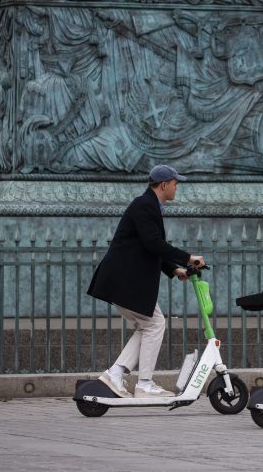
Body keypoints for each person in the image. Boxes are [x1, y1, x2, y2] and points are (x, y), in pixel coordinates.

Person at [86, 165, 205, 398]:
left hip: (124, 281)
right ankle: (144, 383)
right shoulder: (144, 205)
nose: (176, 187)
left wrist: (175, 270)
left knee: (148, 326)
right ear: (164, 185)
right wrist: (188, 257)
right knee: (155, 324)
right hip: (125, 280)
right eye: (175, 183)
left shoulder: (149, 205)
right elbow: (152, 243)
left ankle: (116, 373)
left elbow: (148, 247)